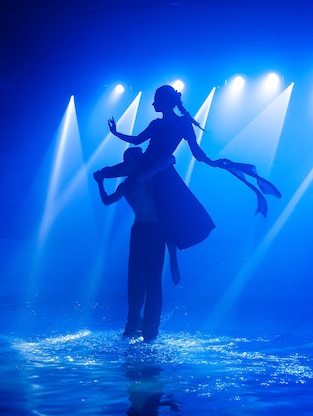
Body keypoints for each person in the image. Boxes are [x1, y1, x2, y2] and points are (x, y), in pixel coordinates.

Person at [97, 85, 281, 252]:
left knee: (168, 208)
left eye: (156, 100)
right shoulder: (158, 124)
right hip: (149, 163)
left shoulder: (182, 123)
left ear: (165, 102)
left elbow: (196, 151)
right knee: (107, 174)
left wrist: (212, 162)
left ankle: (168, 246)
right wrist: (115, 132)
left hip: (160, 167)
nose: (153, 104)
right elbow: (138, 140)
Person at [94, 146, 180, 342]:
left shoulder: (132, 182)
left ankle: (142, 327)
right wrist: (170, 158)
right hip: (147, 231)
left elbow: (107, 200)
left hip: (147, 231)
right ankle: (138, 326)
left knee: (147, 281)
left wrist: (101, 182)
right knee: (140, 281)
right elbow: (166, 159)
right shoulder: (139, 179)